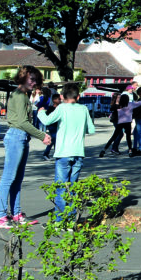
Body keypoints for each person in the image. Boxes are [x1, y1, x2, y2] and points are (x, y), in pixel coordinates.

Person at [0, 66, 52, 228]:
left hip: (21, 137)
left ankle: (16, 213)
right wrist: (42, 135)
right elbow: (21, 122)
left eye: (36, 80)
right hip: (16, 136)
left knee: (17, 179)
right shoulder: (19, 95)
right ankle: (1, 216)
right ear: (22, 77)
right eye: (31, 79)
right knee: (9, 178)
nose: (34, 83)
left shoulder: (22, 95)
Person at [40, 83, 96, 219]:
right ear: (78, 96)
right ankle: (71, 219)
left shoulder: (61, 108)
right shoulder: (83, 109)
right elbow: (91, 129)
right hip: (78, 153)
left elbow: (47, 120)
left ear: (61, 96)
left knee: (61, 188)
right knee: (73, 187)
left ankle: (60, 220)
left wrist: (40, 112)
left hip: (63, 153)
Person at [100, 89, 134, 157]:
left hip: (122, 121)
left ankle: (113, 148)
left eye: (120, 97)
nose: (119, 98)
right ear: (115, 98)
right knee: (119, 134)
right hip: (117, 121)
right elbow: (113, 109)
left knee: (121, 135)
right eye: (118, 97)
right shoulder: (115, 105)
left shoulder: (122, 105)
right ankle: (114, 148)